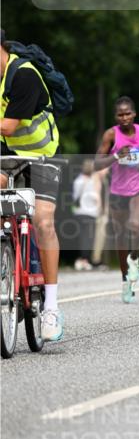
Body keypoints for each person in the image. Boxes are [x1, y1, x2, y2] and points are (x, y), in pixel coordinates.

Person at [0, 30, 63, 341]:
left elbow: (8, 125)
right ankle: (7, 258)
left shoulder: (23, 75)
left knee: (42, 220)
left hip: (42, 156)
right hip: (8, 156)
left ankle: (51, 306)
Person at [95, 97, 139, 303]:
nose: (124, 118)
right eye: (120, 114)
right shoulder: (111, 134)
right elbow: (96, 163)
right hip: (118, 191)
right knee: (121, 238)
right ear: (115, 116)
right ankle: (125, 281)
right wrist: (115, 156)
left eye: (127, 113)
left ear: (134, 114)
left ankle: (135, 260)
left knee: (135, 226)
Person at [72, 159, 104, 270]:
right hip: (91, 213)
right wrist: (99, 208)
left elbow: (75, 197)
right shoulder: (94, 181)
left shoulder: (78, 180)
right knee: (89, 238)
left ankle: (81, 259)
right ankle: (85, 260)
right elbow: (97, 197)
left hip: (79, 212)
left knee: (81, 237)